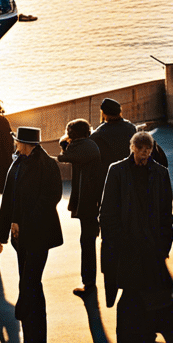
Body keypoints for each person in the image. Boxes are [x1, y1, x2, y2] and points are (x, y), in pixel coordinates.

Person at [101, 131, 173, 343]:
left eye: (147, 151)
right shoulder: (117, 171)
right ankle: (160, 335)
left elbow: (167, 213)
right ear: (133, 148)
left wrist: (164, 244)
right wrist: (120, 243)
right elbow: (107, 213)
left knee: (143, 295)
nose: (144, 155)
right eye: (141, 151)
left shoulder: (160, 173)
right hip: (129, 248)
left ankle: (143, 336)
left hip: (151, 247)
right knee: (141, 295)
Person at [0, 127, 62, 343]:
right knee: (27, 277)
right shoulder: (18, 162)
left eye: (17, 141)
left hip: (38, 234)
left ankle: (35, 331)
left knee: (31, 281)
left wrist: (21, 222)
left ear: (26, 144)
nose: (15, 144)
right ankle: (27, 313)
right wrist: (3, 232)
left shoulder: (47, 164)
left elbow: (51, 197)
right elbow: (9, 196)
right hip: (20, 236)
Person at [57, 118, 103, 298]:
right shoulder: (89, 144)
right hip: (94, 199)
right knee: (89, 239)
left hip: (89, 200)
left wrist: (64, 142)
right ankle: (90, 280)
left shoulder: (83, 147)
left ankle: (89, 282)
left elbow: (64, 157)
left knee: (88, 241)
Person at [92, 98, 138, 173]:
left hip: (109, 173)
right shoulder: (131, 128)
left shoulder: (98, 134)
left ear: (103, 113)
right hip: (130, 171)